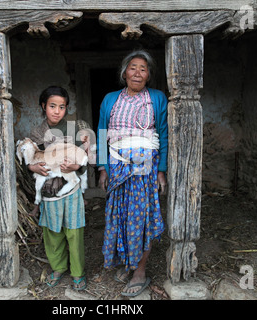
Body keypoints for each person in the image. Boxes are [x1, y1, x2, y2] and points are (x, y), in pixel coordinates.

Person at [96, 50, 168, 297]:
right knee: (120, 215)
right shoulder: (110, 99)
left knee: (141, 216)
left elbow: (164, 134)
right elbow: (102, 132)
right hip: (116, 164)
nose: (137, 73)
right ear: (124, 72)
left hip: (144, 166)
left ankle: (140, 271)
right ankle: (127, 261)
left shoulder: (157, 98)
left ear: (149, 75)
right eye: (133, 67)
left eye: (143, 69)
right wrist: (102, 167)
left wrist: (161, 170)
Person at [27, 86, 92, 291]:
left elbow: (86, 157)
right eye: (52, 106)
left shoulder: (76, 129)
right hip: (49, 190)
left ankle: (78, 272)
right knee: (52, 231)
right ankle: (58, 267)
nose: (57, 111)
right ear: (43, 106)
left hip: (71, 189)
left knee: (74, 232)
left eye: (62, 107)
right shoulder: (38, 132)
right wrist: (32, 166)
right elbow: (31, 158)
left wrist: (77, 166)